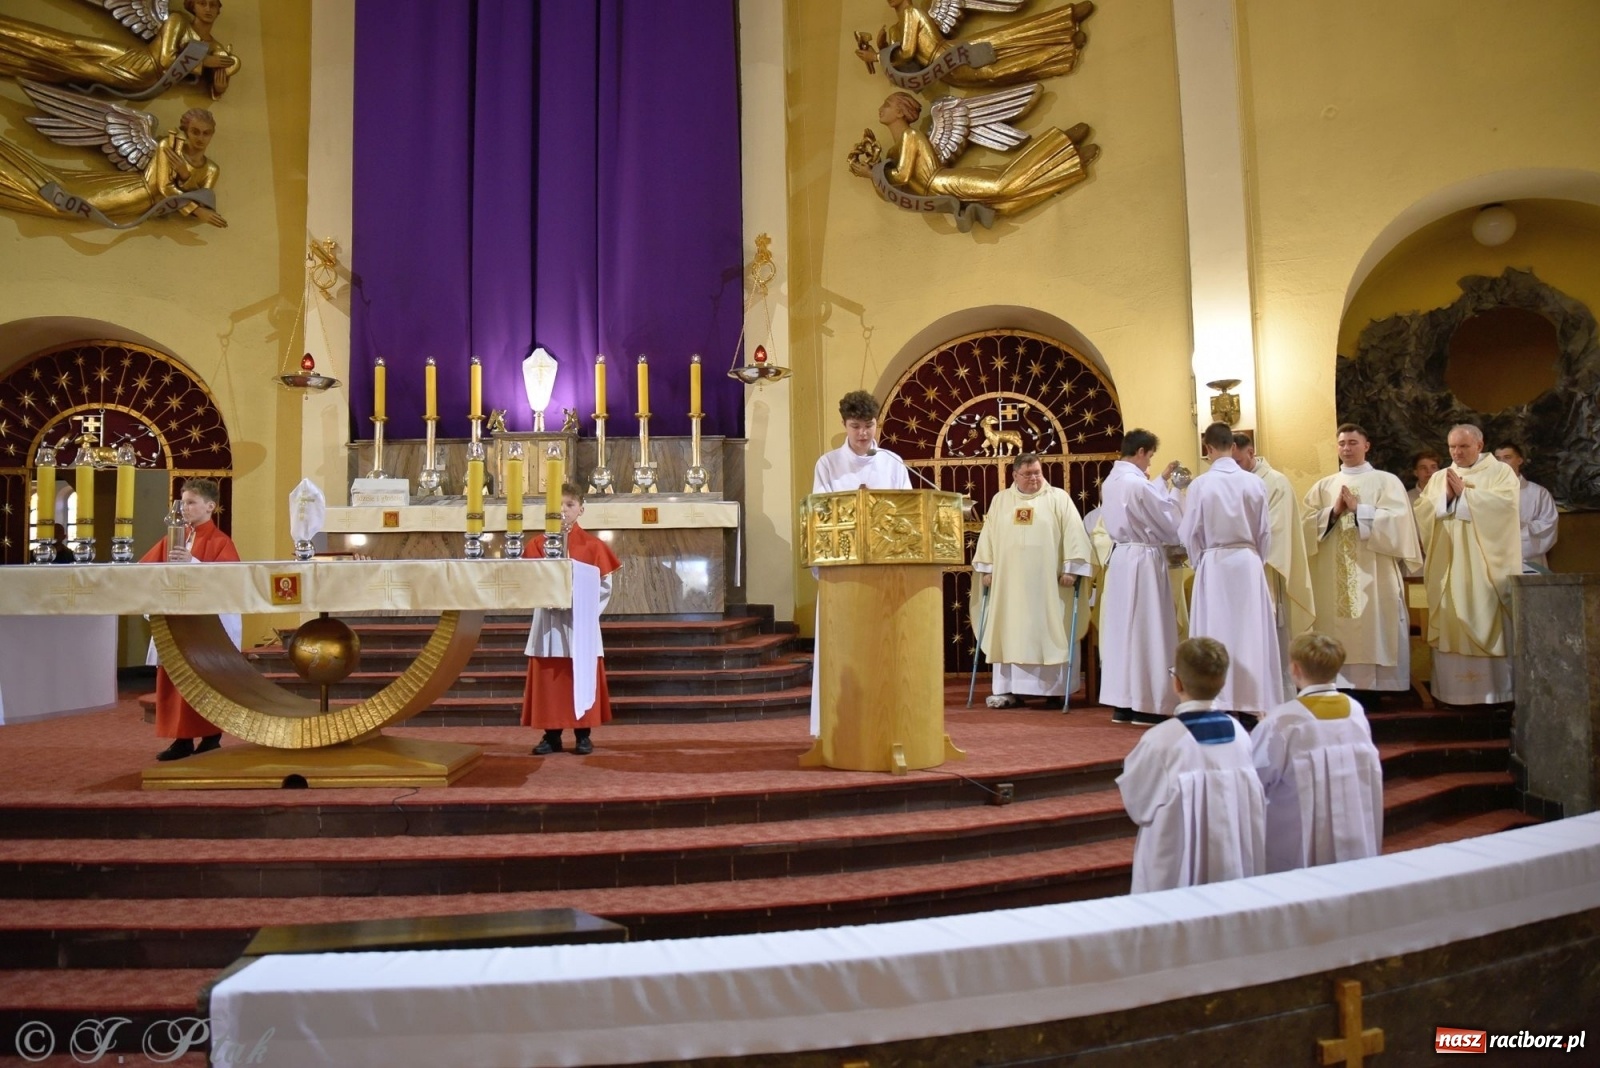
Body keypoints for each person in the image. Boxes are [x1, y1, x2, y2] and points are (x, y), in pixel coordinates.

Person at [1116, 637, 1267, 893]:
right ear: (1222, 683)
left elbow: (1138, 804)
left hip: (1177, 866)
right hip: (1230, 859)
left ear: (1177, 682)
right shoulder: (1240, 735)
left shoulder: (1162, 740)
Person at [809, 390, 911, 735]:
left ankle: (888, 725)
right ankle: (836, 727)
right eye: (856, 427)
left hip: (885, 569)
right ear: (845, 426)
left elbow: (908, 514)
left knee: (882, 647)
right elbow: (820, 515)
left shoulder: (894, 463)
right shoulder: (827, 464)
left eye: (868, 426)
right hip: (844, 570)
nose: (864, 434)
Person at [1302, 424, 1423, 694]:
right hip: (1333, 576)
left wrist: (1361, 511)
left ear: (1366, 446)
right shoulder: (1323, 486)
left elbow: (1401, 524)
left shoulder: (1386, 481)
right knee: (1333, 627)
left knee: (1376, 624)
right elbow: (1304, 526)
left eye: (1353, 442)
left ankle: (1377, 689)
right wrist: (1332, 513)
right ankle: (1337, 684)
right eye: (1342, 443)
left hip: (1374, 573)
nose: (1347, 448)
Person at [1252, 634, 1384, 873]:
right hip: (1354, 824)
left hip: (1301, 837)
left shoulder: (1284, 720)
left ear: (1295, 668)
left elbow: (1256, 778)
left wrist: (1265, 726)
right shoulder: (1355, 710)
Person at [971, 453, 1092, 708]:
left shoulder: (1058, 498)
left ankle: (1053, 690)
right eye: (1028, 474)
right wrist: (988, 569)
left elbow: (1074, 533)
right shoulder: (1001, 500)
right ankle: (1008, 689)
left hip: (1049, 584)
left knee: (1049, 629)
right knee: (1008, 627)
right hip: (1008, 585)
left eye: (1038, 472)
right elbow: (989, 536)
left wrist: (1072, 568)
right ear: (1014, 475)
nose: (1034, 478)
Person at [855, 91, 1097, 218]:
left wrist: (872, 172)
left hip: (942, 182)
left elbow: (903, 176)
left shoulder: (910, 137)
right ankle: (1067, 162)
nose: (881, 109)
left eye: (886, 105)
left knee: (1001, 184)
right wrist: (875, 172)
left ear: (900, 112)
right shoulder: (895, 149)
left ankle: (1061, 144)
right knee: (1004, 198)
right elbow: (892, 186)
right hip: (940, 190)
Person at [1414, 424, 1520, 707]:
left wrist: (1466, 495)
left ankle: (1495, 694)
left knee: (1486, 612)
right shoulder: (1439, 478)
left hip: (1485, 566)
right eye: (1452, 448)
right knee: (1452, 616)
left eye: (1463, 447)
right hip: (1448, 566)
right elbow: (1422, 512)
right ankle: (1453, 694)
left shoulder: (1500, 472)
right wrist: (1446, 498)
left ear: (1479, 445)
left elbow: (1507, 507)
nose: (1457, 453)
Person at [1179, 422, 1282, 713]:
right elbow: (1265, 531)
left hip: (1215, 563)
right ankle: (1253, 702)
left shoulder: (1201, 484)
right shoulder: (1254, 482)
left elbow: (1189, 531)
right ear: (1233, 446)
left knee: (1216, 630)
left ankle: (1219, 700)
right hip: (1248, 563)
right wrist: (1254, 559)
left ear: (1208, 449)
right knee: (1250, 631)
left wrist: (1201, 558)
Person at [138, 478, 239, 761]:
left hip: (204, 628)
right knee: (175, 681)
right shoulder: (174, 536)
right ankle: (181, 740)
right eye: (182, 503)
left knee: (207, 680)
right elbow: (144, 570)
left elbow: (228, 584)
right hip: (175, 620)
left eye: (191, 502)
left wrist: (192, 564)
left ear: (211, 506)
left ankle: (210, 737)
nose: (185, 508)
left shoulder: (220, 541)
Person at [0, 106, 227, 228]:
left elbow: (204, 195)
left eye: (206, 133)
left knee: (65, 199)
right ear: (186, 132)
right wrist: (196, 209)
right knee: (63, 198)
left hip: (142, 203)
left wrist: (187, 178)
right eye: (195, 132)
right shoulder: (169, 145)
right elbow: (164, 188)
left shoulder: (212, 169)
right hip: (136, 191)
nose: (200, 138)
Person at [524, 483, 622, 756]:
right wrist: (546, 598)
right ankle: (551, 734)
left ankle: (583, 734)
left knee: (582, 674)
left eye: (569, 505)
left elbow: (605, 586)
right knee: (551, 678)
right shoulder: (537, 544)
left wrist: (584, 609)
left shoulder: (593, 546)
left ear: (581, 509)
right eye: (557, 506)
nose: (563, 511)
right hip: (550, 623)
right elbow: (527, 581)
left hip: (581, 624)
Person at [1096, 429, 1184, 726]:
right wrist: (1176, 490)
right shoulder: (1136, 484)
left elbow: (1141, 500)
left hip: (1122, 559)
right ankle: (1149, 704)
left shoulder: (1111, 482)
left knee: (1124, 633)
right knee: (1148, 628)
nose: (1150, 465)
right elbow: (1168, 522)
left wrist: (1161, 479)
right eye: (1150, 458)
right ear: (1142, 451)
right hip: (1144, 561)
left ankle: (1123, 703)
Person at [0, 0, 240, 99]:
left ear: (219, 10)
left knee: (62, 70)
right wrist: (203, 65)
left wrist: (220, 84)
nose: (207, 8)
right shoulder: (178, 21)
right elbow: (165, 60)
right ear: (192, 6)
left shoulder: (215, 47)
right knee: (68, 48)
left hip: (142, 83)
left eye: (213, 5)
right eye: (202, 3)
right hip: (136, 64)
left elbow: (221, 78)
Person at [1233, 431, 1315, 700]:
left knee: (1268, 631)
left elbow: (1277, 529)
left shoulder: (1275, 482)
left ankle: (1274, 691)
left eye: (1239, 461)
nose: (1236, 467)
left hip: (1264, 569)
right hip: (1236, 568)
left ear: (1250, 453)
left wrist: (1241, 543)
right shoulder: (1231, 481)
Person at [873, 0, 1094, 88]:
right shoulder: (895, 29)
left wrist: (877, 57)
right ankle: (1063, 50)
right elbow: (907, 65)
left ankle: (1064, 28)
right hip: (944, 70)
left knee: (1007, 41)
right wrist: (883, 49)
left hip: (950, 55)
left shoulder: (912, 13)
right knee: (998, 72)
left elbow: (909, 51)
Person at [1492, 443, 1558, 569]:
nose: (1502, 463)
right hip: (1494, 561)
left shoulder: (1538, 493)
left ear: (1519, 460)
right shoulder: (1485, 492)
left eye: (1507, 457)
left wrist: (1517, 526)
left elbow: (1548, 526)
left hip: (1529, 561)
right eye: (1498, 459)